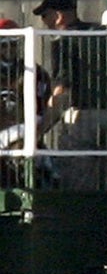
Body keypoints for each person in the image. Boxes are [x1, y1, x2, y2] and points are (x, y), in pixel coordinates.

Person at [37, 0, 107, 191]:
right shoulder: (102, 34)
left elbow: (62, 90)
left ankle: (78, 219)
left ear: (58, 16)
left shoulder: (63, 40)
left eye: (45, 15)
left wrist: (41, 130)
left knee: (77, 179)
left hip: (81, 118)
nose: (44, 21)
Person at [0, 18, 53, 187]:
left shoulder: (34, 72)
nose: (9, 49)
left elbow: (41, 110)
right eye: (4, 45)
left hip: (24, 130)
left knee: (38, 157)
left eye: (13, 44)